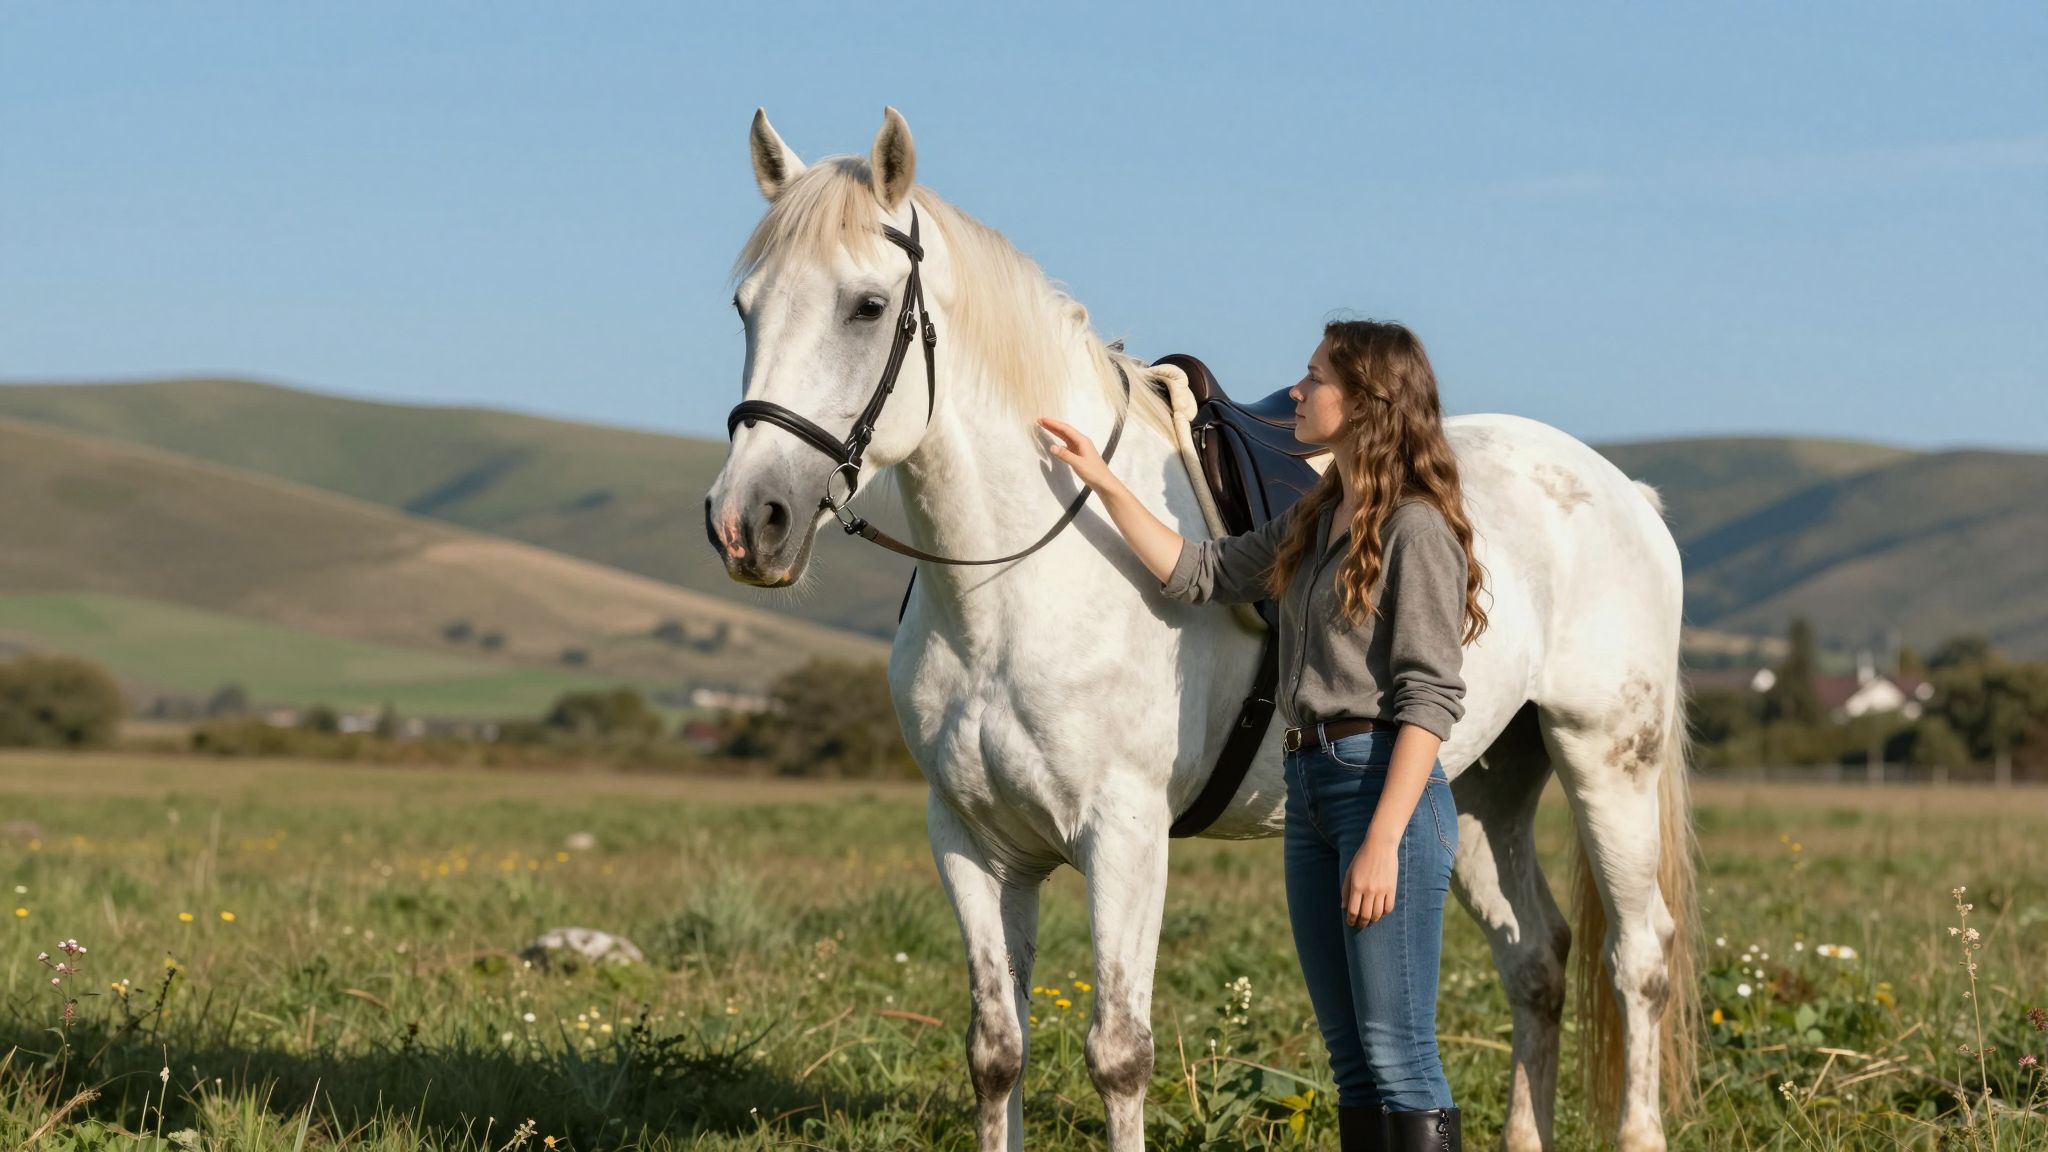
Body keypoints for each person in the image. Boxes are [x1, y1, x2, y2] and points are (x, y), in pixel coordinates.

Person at [1038, 319, 1489, 1152]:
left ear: (1365, 404)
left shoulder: (1416, 530)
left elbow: (1429, 697)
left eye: (1316, 378)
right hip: (1312, 789)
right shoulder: (1315, 520)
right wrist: (1101, 479)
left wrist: (1384, 838)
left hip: (1381, 791)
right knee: (1353, 1061)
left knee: (1399, 1054)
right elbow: (1196, 573)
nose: (1297, 392)